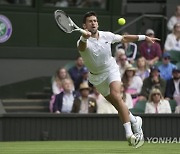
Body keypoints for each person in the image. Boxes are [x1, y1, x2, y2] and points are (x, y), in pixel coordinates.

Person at [76, 11, 159, 147]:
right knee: (116, 103)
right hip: (97, 77)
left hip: (111, 69)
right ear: (84, 26)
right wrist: (85, 38)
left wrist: (144, 37)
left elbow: (124, 39)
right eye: (90, 21)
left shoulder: (107, 35)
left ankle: (129, 134)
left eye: (95, 20)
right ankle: (134, 120)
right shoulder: (81, 41)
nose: (93, 23)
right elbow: (82, 47)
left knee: (117, 96)